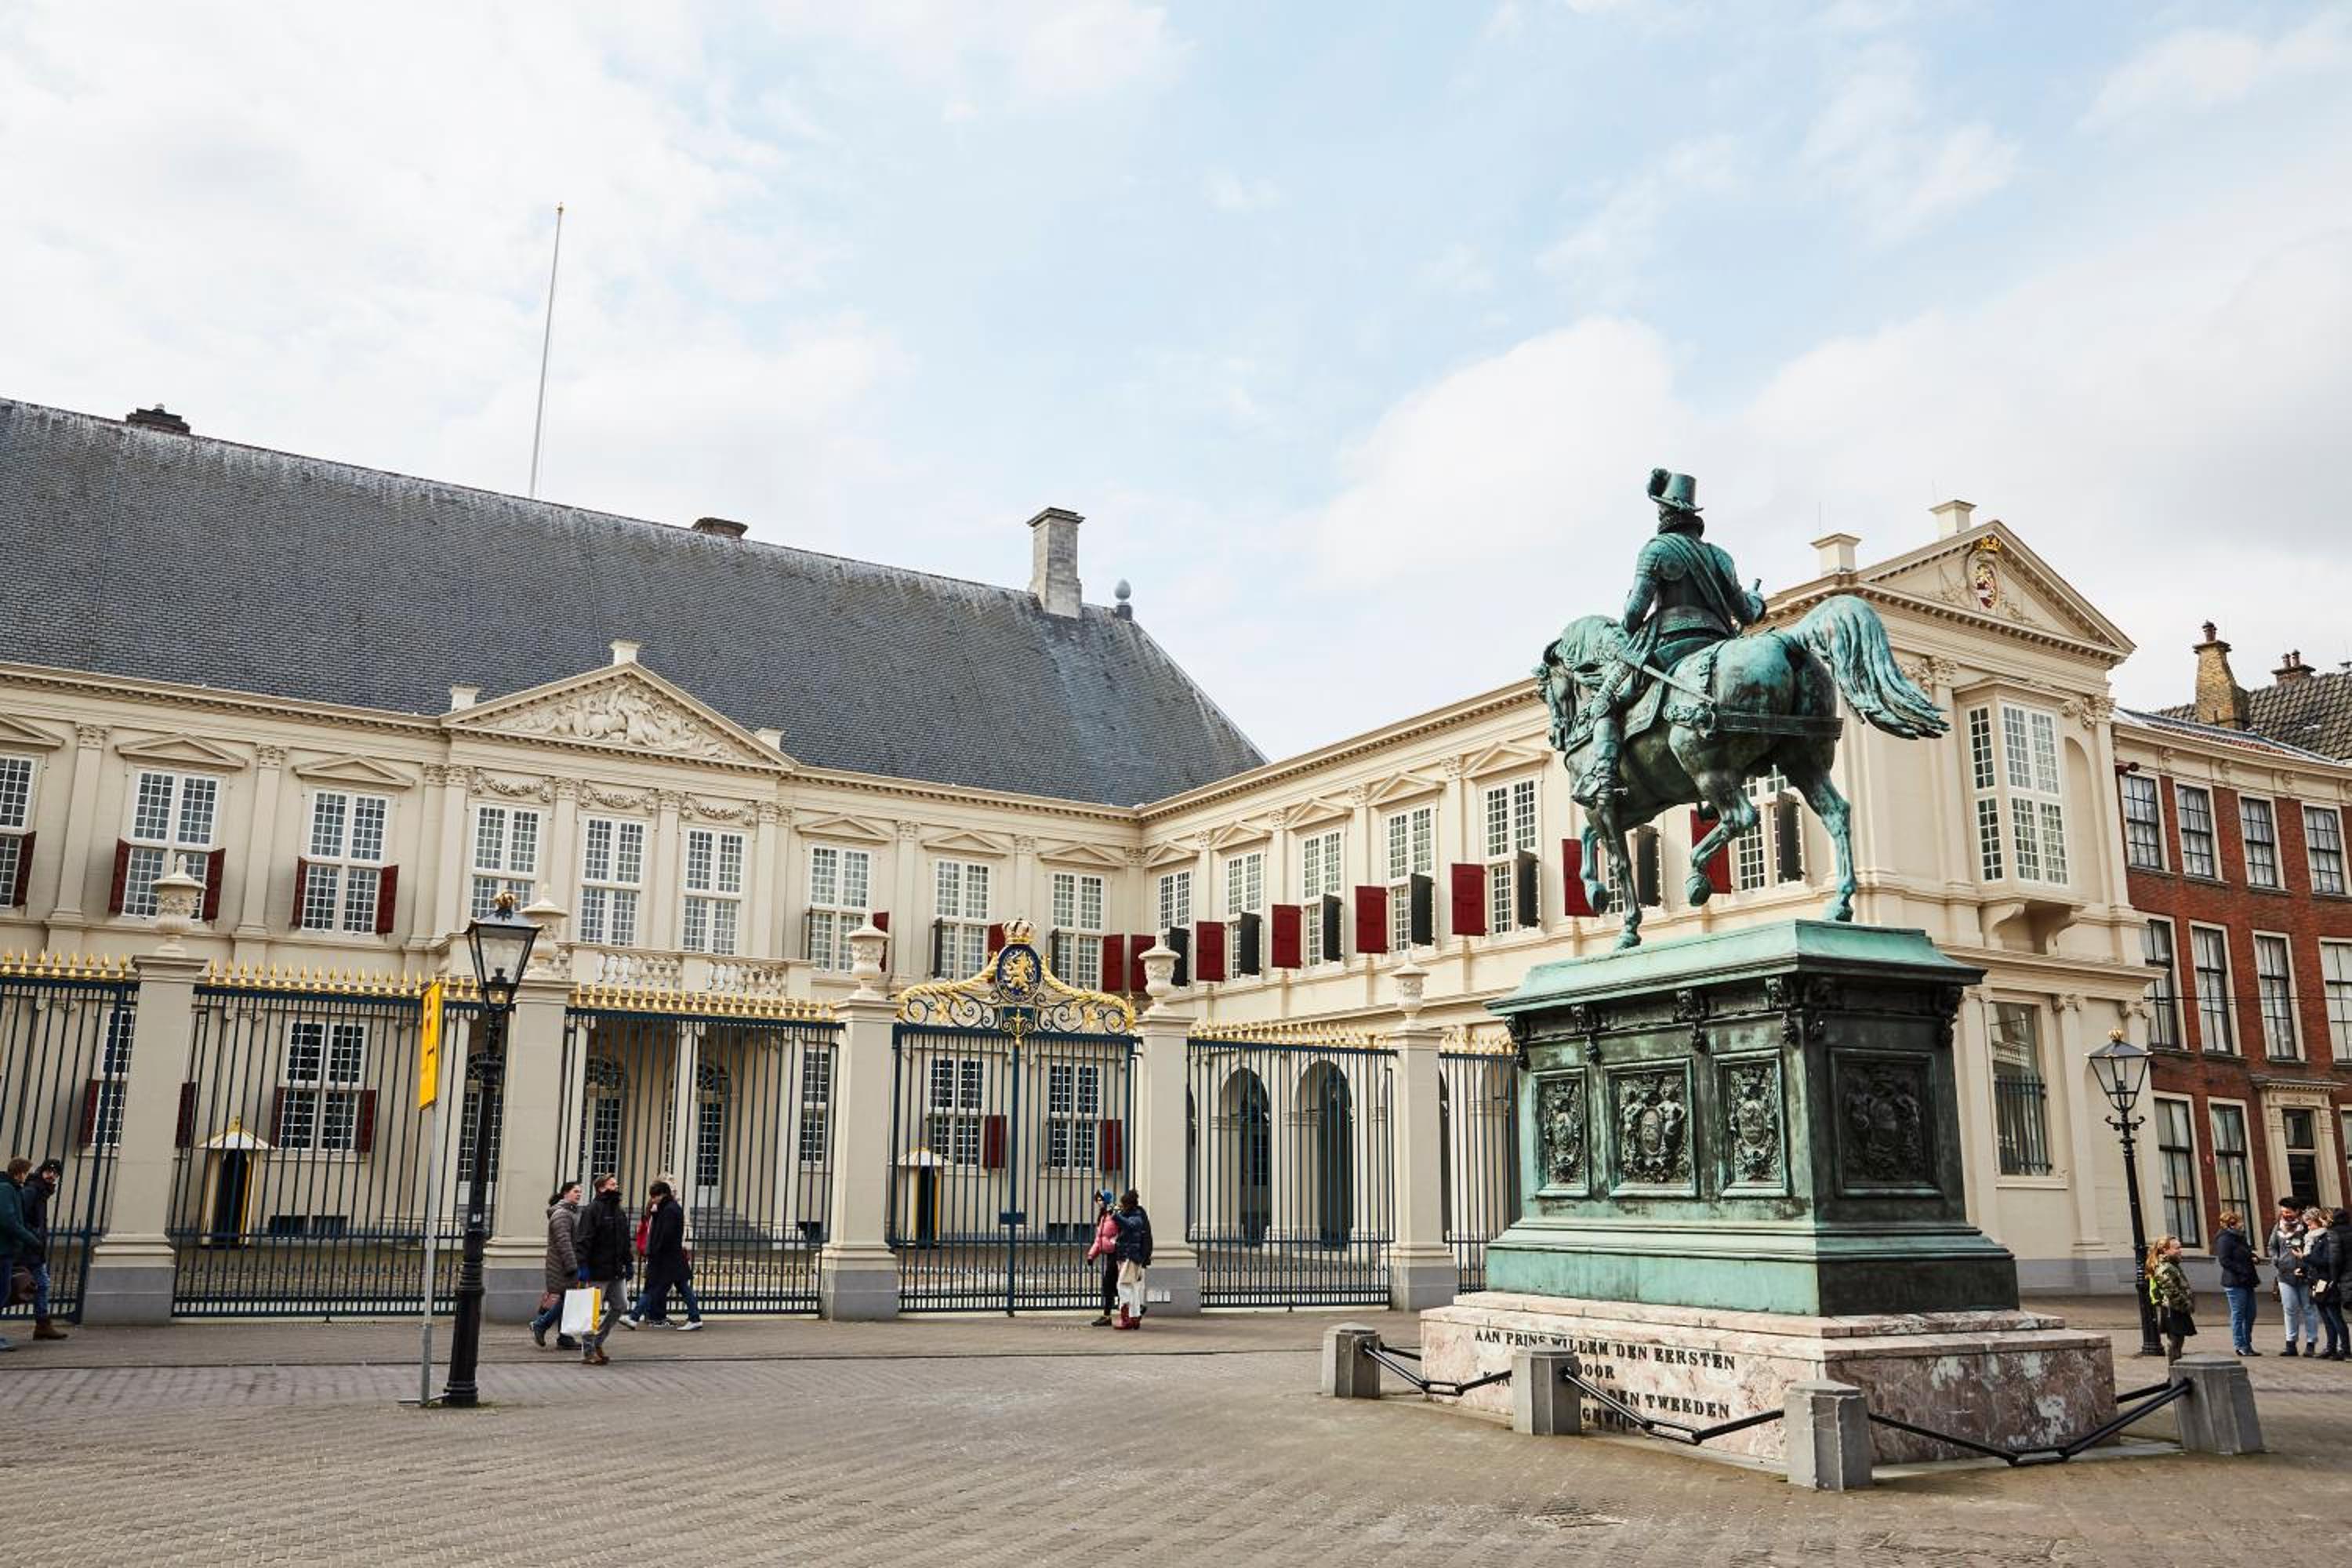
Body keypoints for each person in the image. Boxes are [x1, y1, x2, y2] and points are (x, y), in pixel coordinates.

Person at [1566, 469, 1766, 809]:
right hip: (1718, 642)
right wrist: (1758, 600)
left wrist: (1630, 603)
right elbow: (1747, 613)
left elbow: (1632, 617)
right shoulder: (1721, 556)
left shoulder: (1656, 550)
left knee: (1604, 702)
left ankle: (1604, 779)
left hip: (1669, 645)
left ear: (1666, 511)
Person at [572, 1173, 632, 1367]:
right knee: (592, 1311)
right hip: (597, 1268)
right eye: (612, 1184)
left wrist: (628, 1262)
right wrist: (583, 1266)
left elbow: (624, 1240)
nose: (616, 1186)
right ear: (601, 1188)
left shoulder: (618, 1211)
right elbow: (584, 1239)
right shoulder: (593, 1210)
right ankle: (588, 1351)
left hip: (615, 1268)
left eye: (616, 1183)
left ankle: (598, 1340)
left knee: (621, 1305)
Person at [631, 1179, 703, 1331]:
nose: (653, 1200)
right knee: (679, 1287)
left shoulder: (669, 1210)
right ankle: (694, 1317)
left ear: (662, 1194)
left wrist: (656, 1251)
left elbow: (665, 1234)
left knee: (655, 1287)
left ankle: (635, 1317)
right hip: (671, 1257)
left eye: (655, 1196)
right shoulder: (669, 1208)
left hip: (667, 1257)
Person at [529, 1180, 583, 1351]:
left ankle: (564, 1337)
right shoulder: (562, 1214)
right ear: (565, 1193)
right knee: (567, 1299)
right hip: (562, 1265)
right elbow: (563, 1242)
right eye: (575, 1191)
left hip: (565, 1263)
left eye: (580, 1191)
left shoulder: (570, 1212)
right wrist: (572, 1265)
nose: (579, 1194)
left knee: (568, 1299)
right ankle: (541, 1325)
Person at [2269, 1197, 2317, 1356]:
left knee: (2308, 1309)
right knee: (2289, 1309)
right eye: (2283, 1212)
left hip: (2305, 1275)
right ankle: (2291, 1344)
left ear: (2297, 1211)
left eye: (2288, 1212)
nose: (2285, 1215)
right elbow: (2272, 1246)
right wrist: (2277, 1260)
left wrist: (2305, 1266)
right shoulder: (2278, 1227)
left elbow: (2313, 1250)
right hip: (2285, 1274)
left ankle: (2311, 1343)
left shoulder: (2306, 1227)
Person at [0, 1156, 38, 1353]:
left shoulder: (11, 1189)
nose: (26, 1176)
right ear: (20, 1173)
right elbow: (9, 1220)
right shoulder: (6, 1189)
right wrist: (31, 1239)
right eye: (26, 1172)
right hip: (2, 1250)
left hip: (6, 1250)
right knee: (3, 1291)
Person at [2306, 1205, 2350, 1361]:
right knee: (2326, 1316)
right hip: (2321, 1280)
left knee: (2334, 1316)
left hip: (2328, 1280)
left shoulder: (2330, 1236)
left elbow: (2330, 1260)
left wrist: (2306, 1258)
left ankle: (2344, 1349)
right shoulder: (2322, 1237)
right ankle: (2331, 1347)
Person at [2213, 1208, 2259, 1357]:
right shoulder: (2224, 1239)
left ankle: (2247, 1344)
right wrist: (2242, 1269)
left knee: (2250, 1313)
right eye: (2240, 1222)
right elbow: (2224, 1260)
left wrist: (2253, 1257)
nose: (2242, 1224)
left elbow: (2245, 1252)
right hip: (2234, 1281)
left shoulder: (2240, 1237)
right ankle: (2240, 1345)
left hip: (2247, 1280)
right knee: (2239, 1314)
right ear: (2232, 1223)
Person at [2147, 1234, 2195, 1363]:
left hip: (2177, 1307)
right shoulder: (2164, 1267)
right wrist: (2186, 1304)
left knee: (2178, 1340)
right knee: (2175, 1342)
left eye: (2180, 1247)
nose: (2180, 1250)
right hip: (2172, 1308)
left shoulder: (2172, 1264)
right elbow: (2171, 1290)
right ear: (2165, 1250)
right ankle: (2174, 1368)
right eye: (2177, 1248)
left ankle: (2176, 1366)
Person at [1111, 1189, 1154, 1331]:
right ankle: (1134, 1318)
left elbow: (1130, 1225)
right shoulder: (1132, 1214)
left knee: (1123, 1286)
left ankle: (1127, 1320)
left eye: (1124, 1204)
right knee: (1133, 1288)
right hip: (1131, 1256)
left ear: (1129, 1204)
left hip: (1131, 1256)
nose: (1122, 1206)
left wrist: (1116, 1215)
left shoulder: (1136, 1216)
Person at [1086, 1189, 1121, 1328]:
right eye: (1097, 1200)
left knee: (1109, 1285)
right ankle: (1134, 1308)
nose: (1099, 1202)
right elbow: (1099, 1239)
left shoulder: (1114, 1213)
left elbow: (1123, 1230)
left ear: (1107, 1200)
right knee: (1114, 1286)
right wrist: (1091, 1255)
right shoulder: (1103, 1217)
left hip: (1116, 1254)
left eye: (1100, 1200)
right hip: (1109, 1254)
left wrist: (1115, 1242)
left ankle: (1109, 1315)